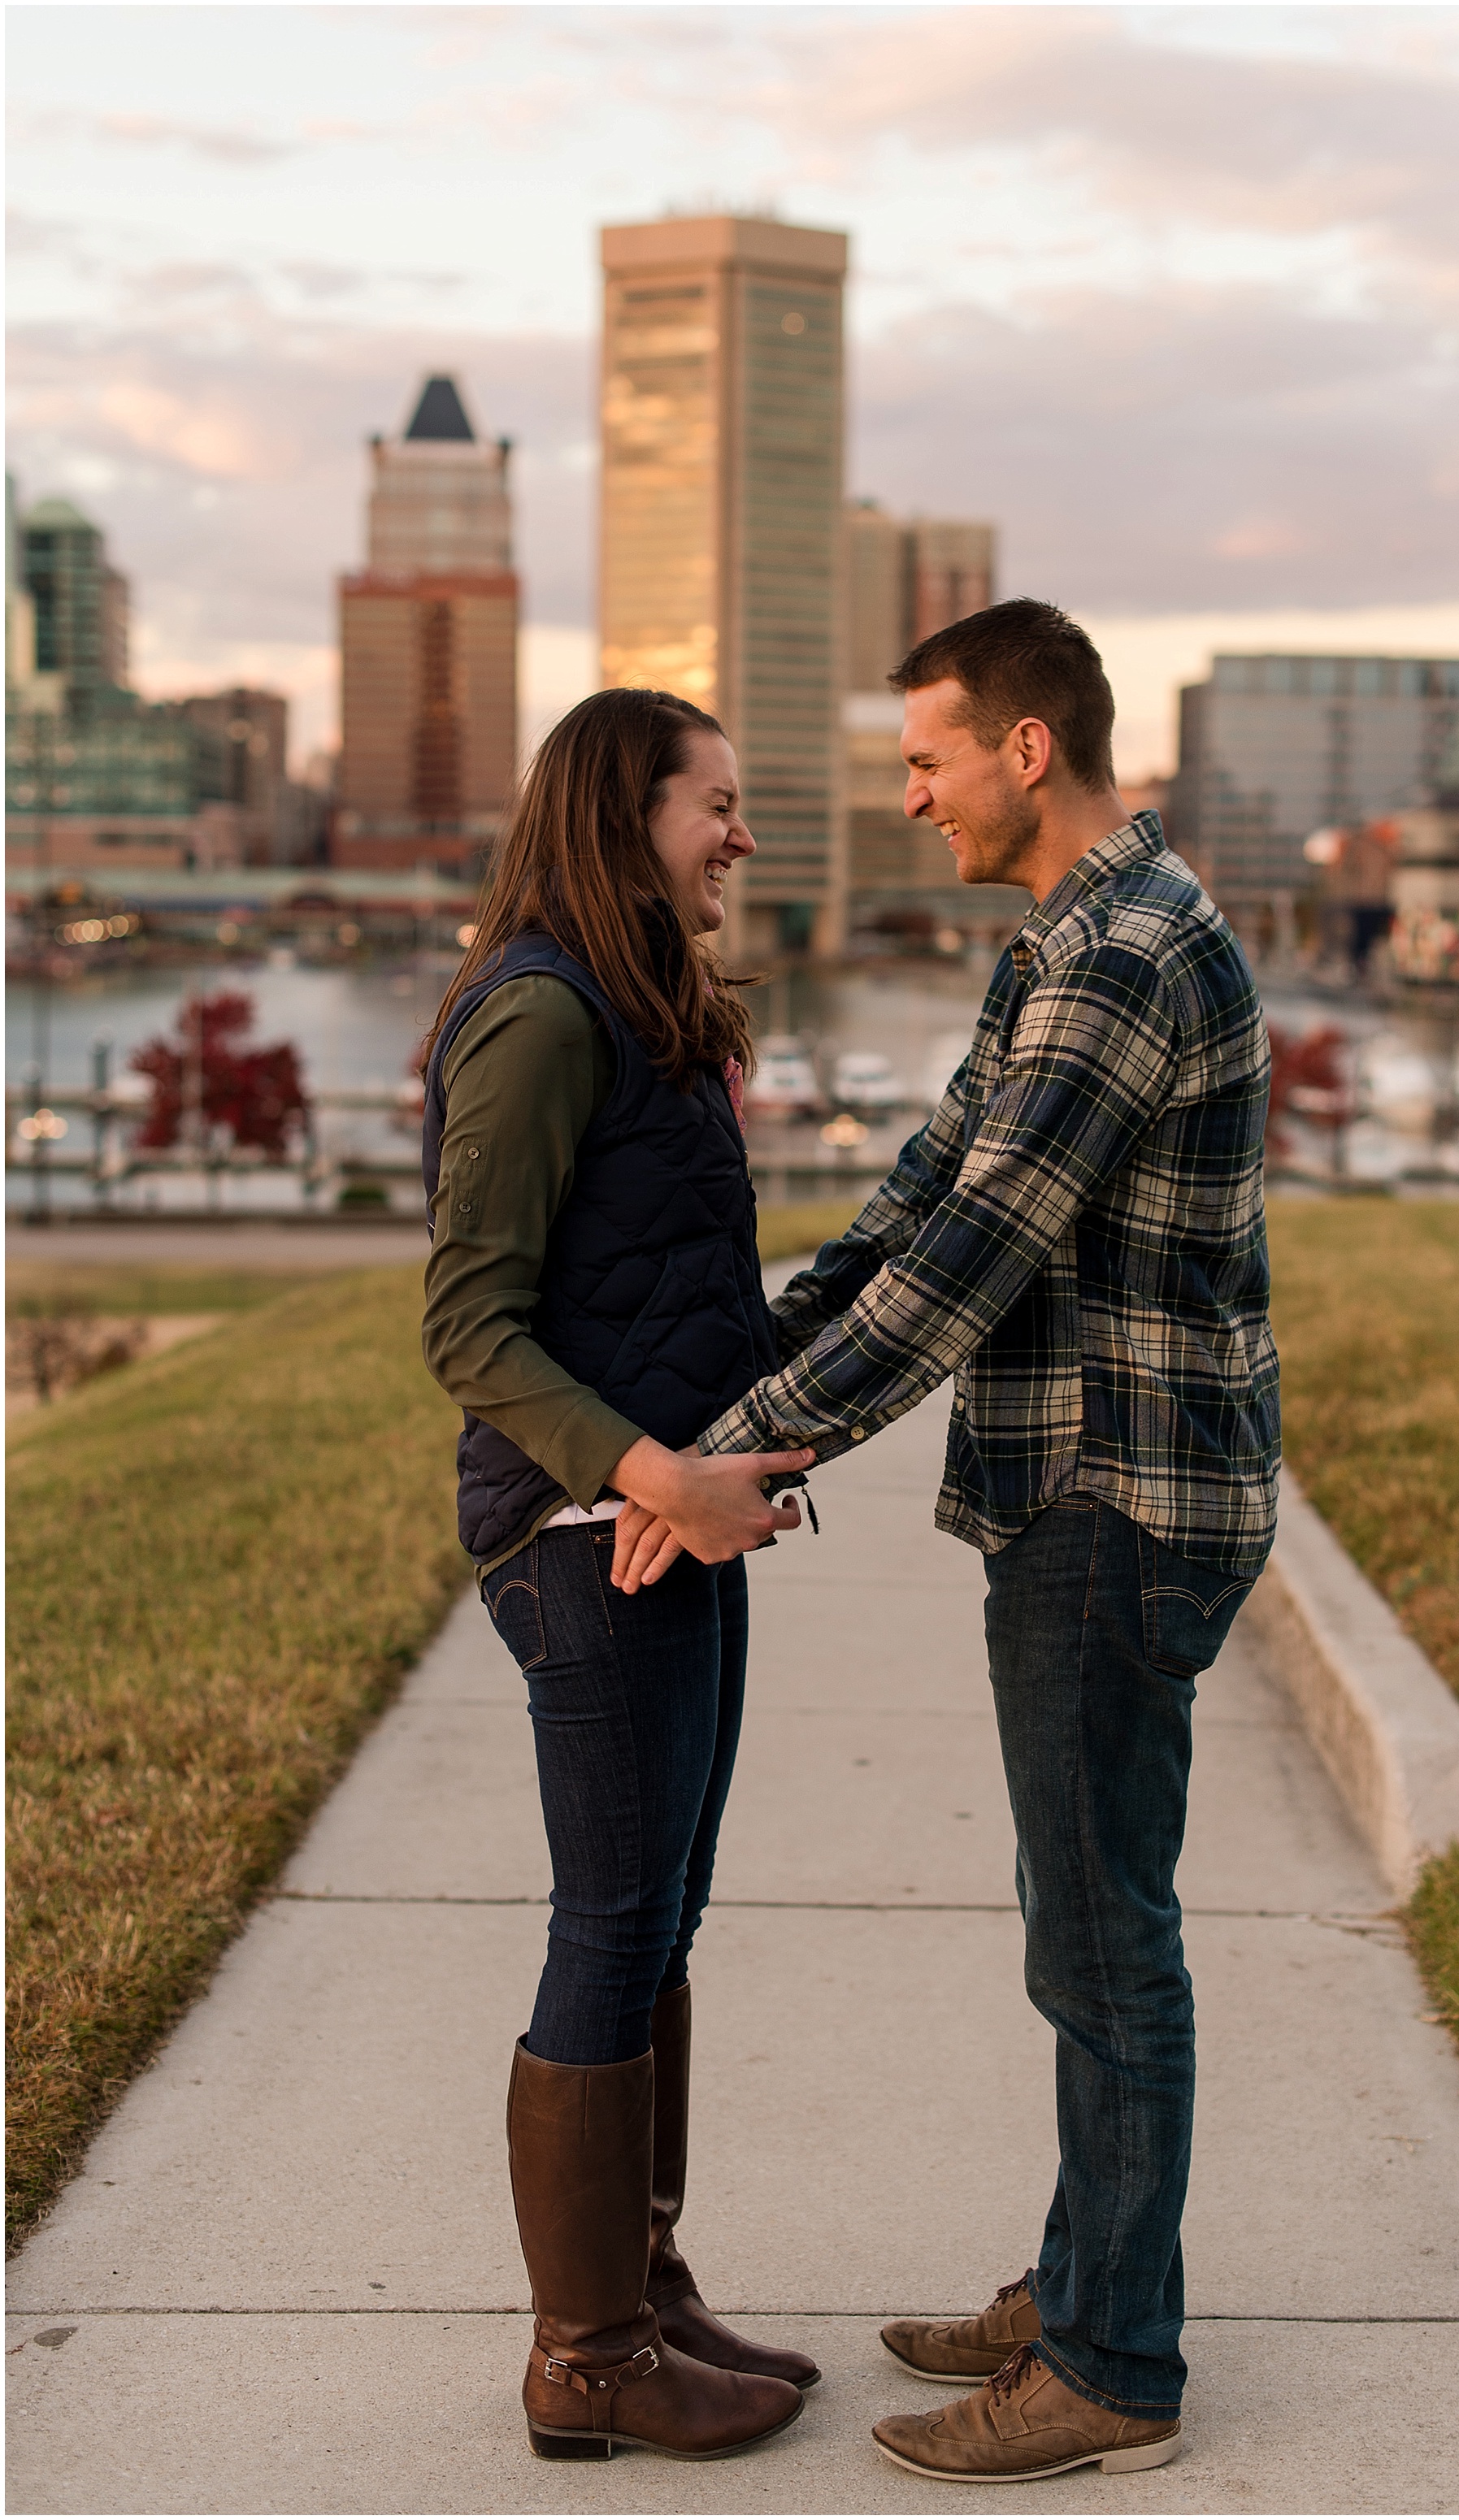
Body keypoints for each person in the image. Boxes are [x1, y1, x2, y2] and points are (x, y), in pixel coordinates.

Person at [613, 600, 1280, 2484]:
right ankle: (1082, 2275)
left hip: (1116, 1498)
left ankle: (1111, 2371)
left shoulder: (1124, 957)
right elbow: (928, 1192)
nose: (904, 795)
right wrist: (760, 1337)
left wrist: (718, 1461)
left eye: (923, 760)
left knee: (1100, 1942)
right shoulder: (1066, 940)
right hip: (1084, 1484)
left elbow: (972, 1271)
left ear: (1025, 753)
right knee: (1080, 1922)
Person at [419, 686, 822, 2466]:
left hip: (670, 1532)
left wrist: (730, 1480)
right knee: (607, 1926)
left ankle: (641, 2294)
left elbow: (670, 1288)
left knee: (659, 1922)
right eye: (710, 805)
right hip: (585, 1544)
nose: (739, 834)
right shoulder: (533, 1012)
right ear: (620, 814)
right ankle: (581, 2360)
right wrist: (658, 1473)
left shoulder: (640, 1009)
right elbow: (468, 1322)